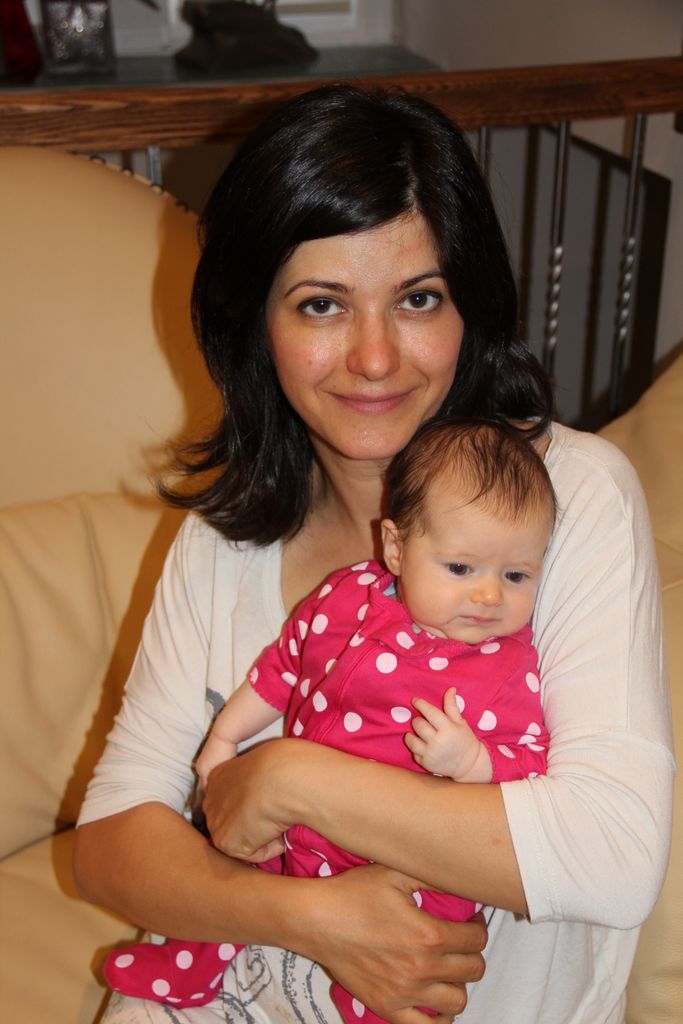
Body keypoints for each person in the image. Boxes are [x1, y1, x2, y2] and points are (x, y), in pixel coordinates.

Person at [73, 83, 674, 1024]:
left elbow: (612, 856)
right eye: (321, 305)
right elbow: (110, 839)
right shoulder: (222, 536)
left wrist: (290, 778)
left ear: (470, 306)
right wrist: (309, 918)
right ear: (253, 325)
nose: (375, 358)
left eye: (417, 299)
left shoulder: (569, 497)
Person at [102, 418, 555, 1022]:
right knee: (224, 873)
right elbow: (281, 668)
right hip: (291, 832)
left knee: (407, 980)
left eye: (516, 576)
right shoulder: (347, 596)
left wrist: (475, 762)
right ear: (397, 548)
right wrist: (224, 738)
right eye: (460, 568)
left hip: (410, 876)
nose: (490, 596)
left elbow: (533, 766)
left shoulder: (508, 666)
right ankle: (183, 969)